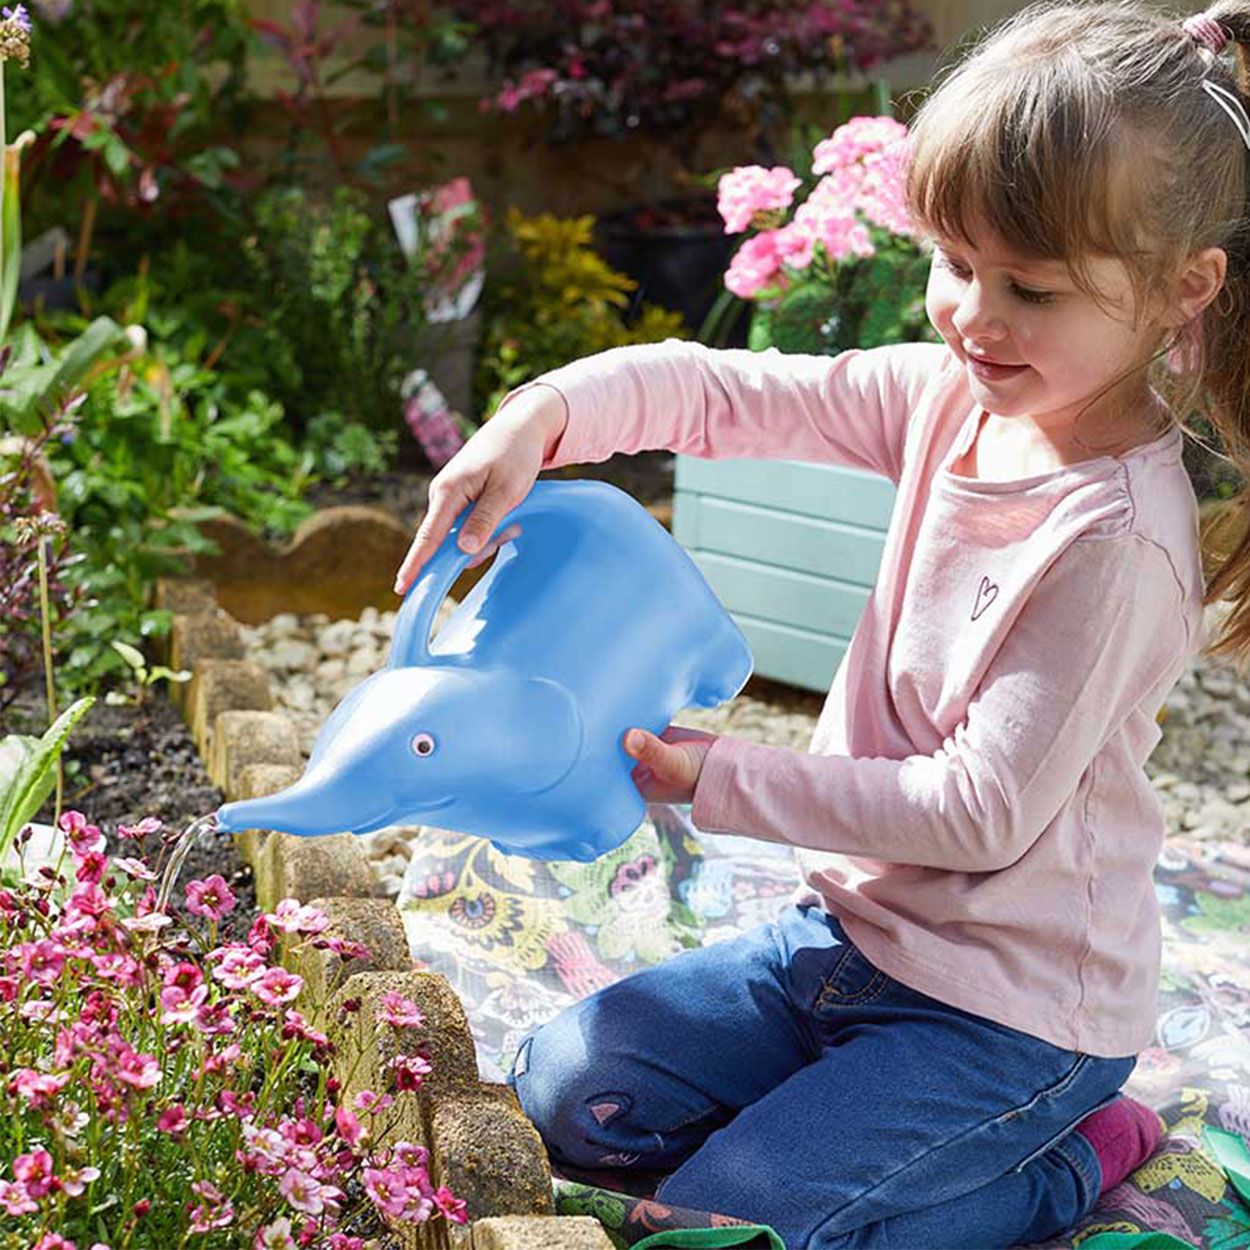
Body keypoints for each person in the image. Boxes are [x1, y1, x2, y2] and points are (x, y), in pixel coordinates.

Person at [392, 2, 1250, 1245]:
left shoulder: (1112, 541)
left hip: (1014, 1013)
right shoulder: (950, 397)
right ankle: (844, 1135)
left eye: (1029, 288)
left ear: (1181, 291)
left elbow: (975, 812)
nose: (972, 315)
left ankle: (1073, 1155)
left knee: (738, 1226)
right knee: (566, 1094)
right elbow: (722, 391)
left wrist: (716, 778)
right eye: (953, 262)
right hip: (846, 936)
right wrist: (543, 414)